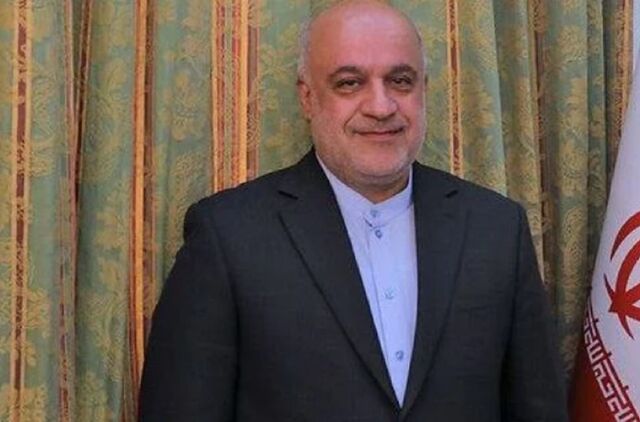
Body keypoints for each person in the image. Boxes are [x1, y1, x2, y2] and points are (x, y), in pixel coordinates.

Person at [138, 1, 567, 420]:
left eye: (400, 81)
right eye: (349, 83)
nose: (381, 107)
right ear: (308, 98)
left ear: (423, 90)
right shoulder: (228, 236)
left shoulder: (496, 229)